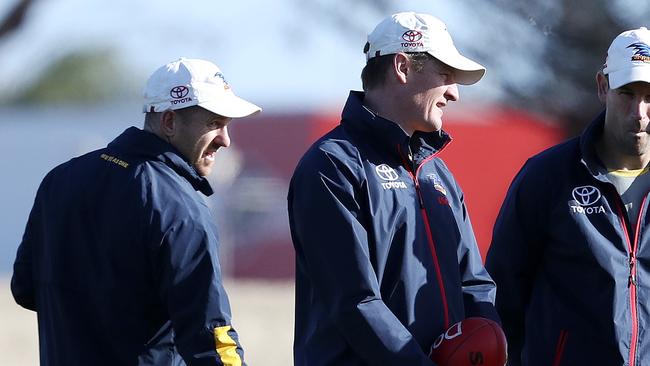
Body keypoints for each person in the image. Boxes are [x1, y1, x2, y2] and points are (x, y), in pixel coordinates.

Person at [11, 57, 261, 366]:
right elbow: (210, 335)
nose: (225, 140)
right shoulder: (181, 207)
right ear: (169, 121)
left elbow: (25, 289)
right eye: (213, 124)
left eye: (226, 126)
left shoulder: (60, 179)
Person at [288, 12, 499, 366]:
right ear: (402, 66)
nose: (454, 93)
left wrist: (489, 344)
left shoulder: (438, 173)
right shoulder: (331, 166)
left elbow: (474, 283)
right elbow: (355, 301)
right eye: (445, 75)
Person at [486, 27, 650, 365]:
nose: (640, 113)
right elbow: (502, 295)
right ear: (603, 87)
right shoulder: (547, 176)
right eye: (628, 94)